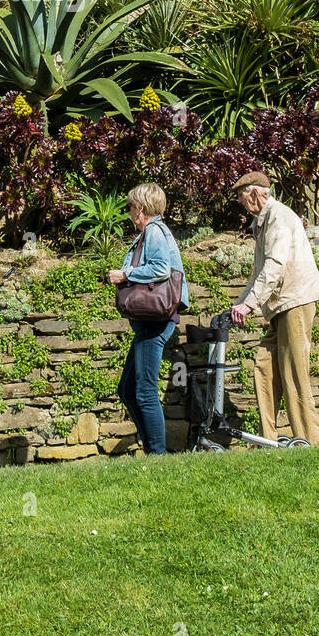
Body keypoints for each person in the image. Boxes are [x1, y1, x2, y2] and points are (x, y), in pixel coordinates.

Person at [229, 171, 319, 446]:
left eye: (241, 196)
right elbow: (259, 272)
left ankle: (311, 441)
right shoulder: (264, 221)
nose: (240, 202)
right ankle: (266, 440)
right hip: (279, 306)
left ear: (257, 193)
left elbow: (275, 266)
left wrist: (250, 304)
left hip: (294, 301)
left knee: (294, 371)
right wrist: (240, 303)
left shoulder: (279, 218)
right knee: (264, 364)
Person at [108, 183, 189, 456]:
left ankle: (157, 456)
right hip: (148, 322)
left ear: (141, 209)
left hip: (155, 320)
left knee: (143, 391)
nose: (129, 212)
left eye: (130, 207)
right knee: (127, 390)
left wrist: (126, 274)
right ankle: (152, 449)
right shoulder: (152, 232)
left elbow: (160, 268)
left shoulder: (154, 231)